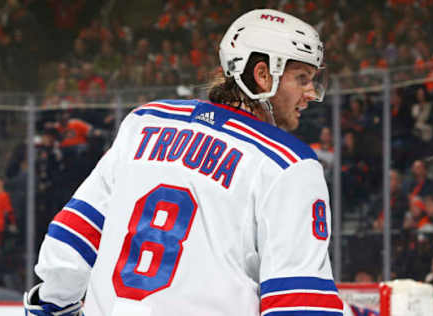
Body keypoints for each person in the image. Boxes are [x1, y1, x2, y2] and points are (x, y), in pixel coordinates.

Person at [24, 9, 343, 316]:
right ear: (262, 75)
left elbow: (75, 234)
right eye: (302, 78)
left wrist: (53, 302)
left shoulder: (145, 122)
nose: (311, 93)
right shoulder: (289, 164)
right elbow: (300, 302)